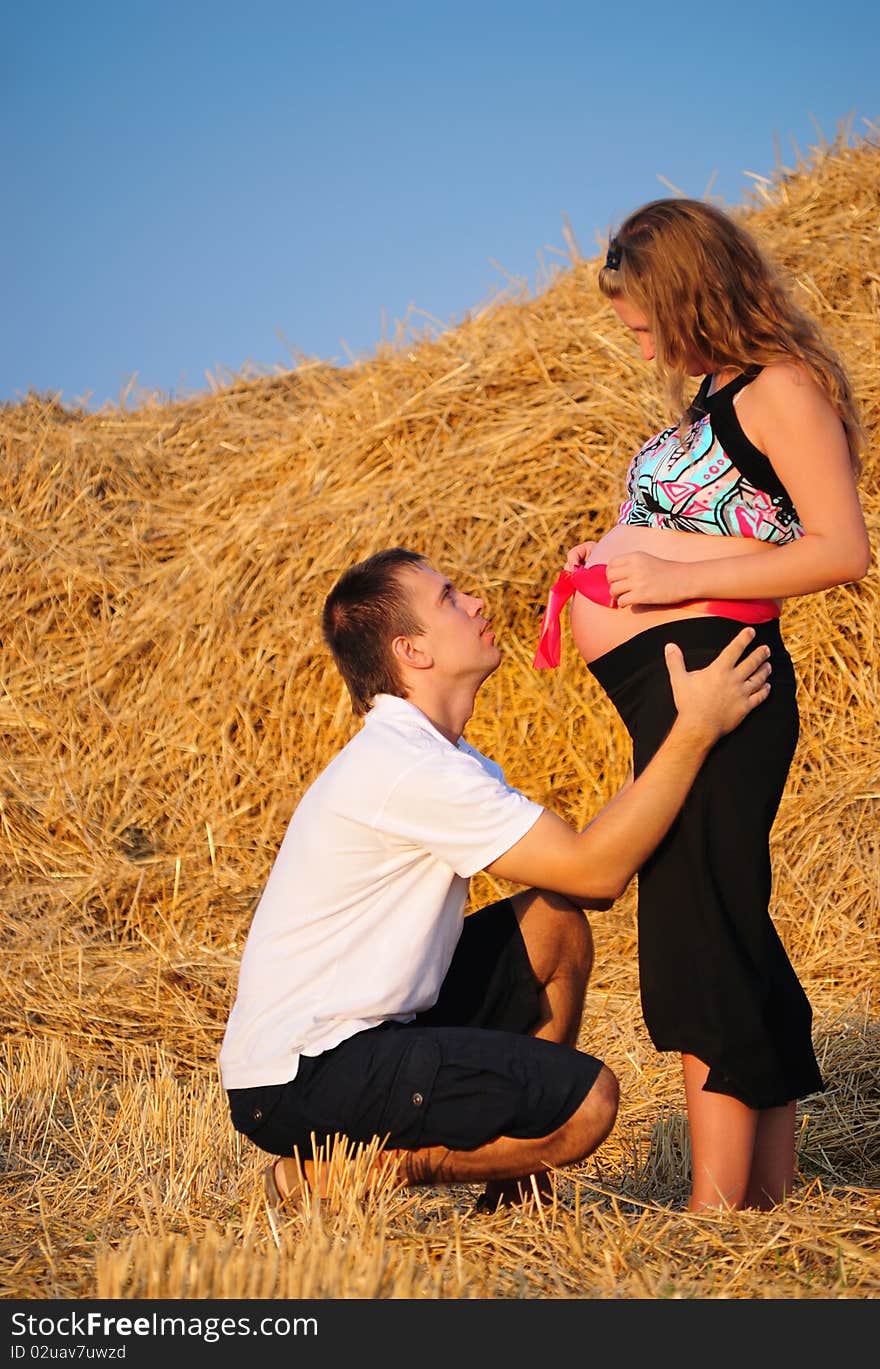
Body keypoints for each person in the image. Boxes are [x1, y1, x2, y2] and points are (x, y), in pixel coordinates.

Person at [219, 545, 773, 1235]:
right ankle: (331, 1173)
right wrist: (694, 730)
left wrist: (673, 734)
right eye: (450, 598)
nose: (476, 603)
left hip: (375, 1030)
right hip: (306, 1073)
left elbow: (579, 874)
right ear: (412, 649)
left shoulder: (442, 757)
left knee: (556, 921)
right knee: (587, 1107)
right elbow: (601, 869)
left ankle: (518, 1197)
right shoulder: (408, 768)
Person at [533, 197, 870, 1212]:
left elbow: (840, 550)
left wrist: (668, 573)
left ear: (687, 292)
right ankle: (760, 1194)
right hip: (673, 686)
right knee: (715, 922)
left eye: (641, 315)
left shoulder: (779, 389)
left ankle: (718, 1211)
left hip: (717, 681)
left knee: (701, 931)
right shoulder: (719, 393)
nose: (633, 336)